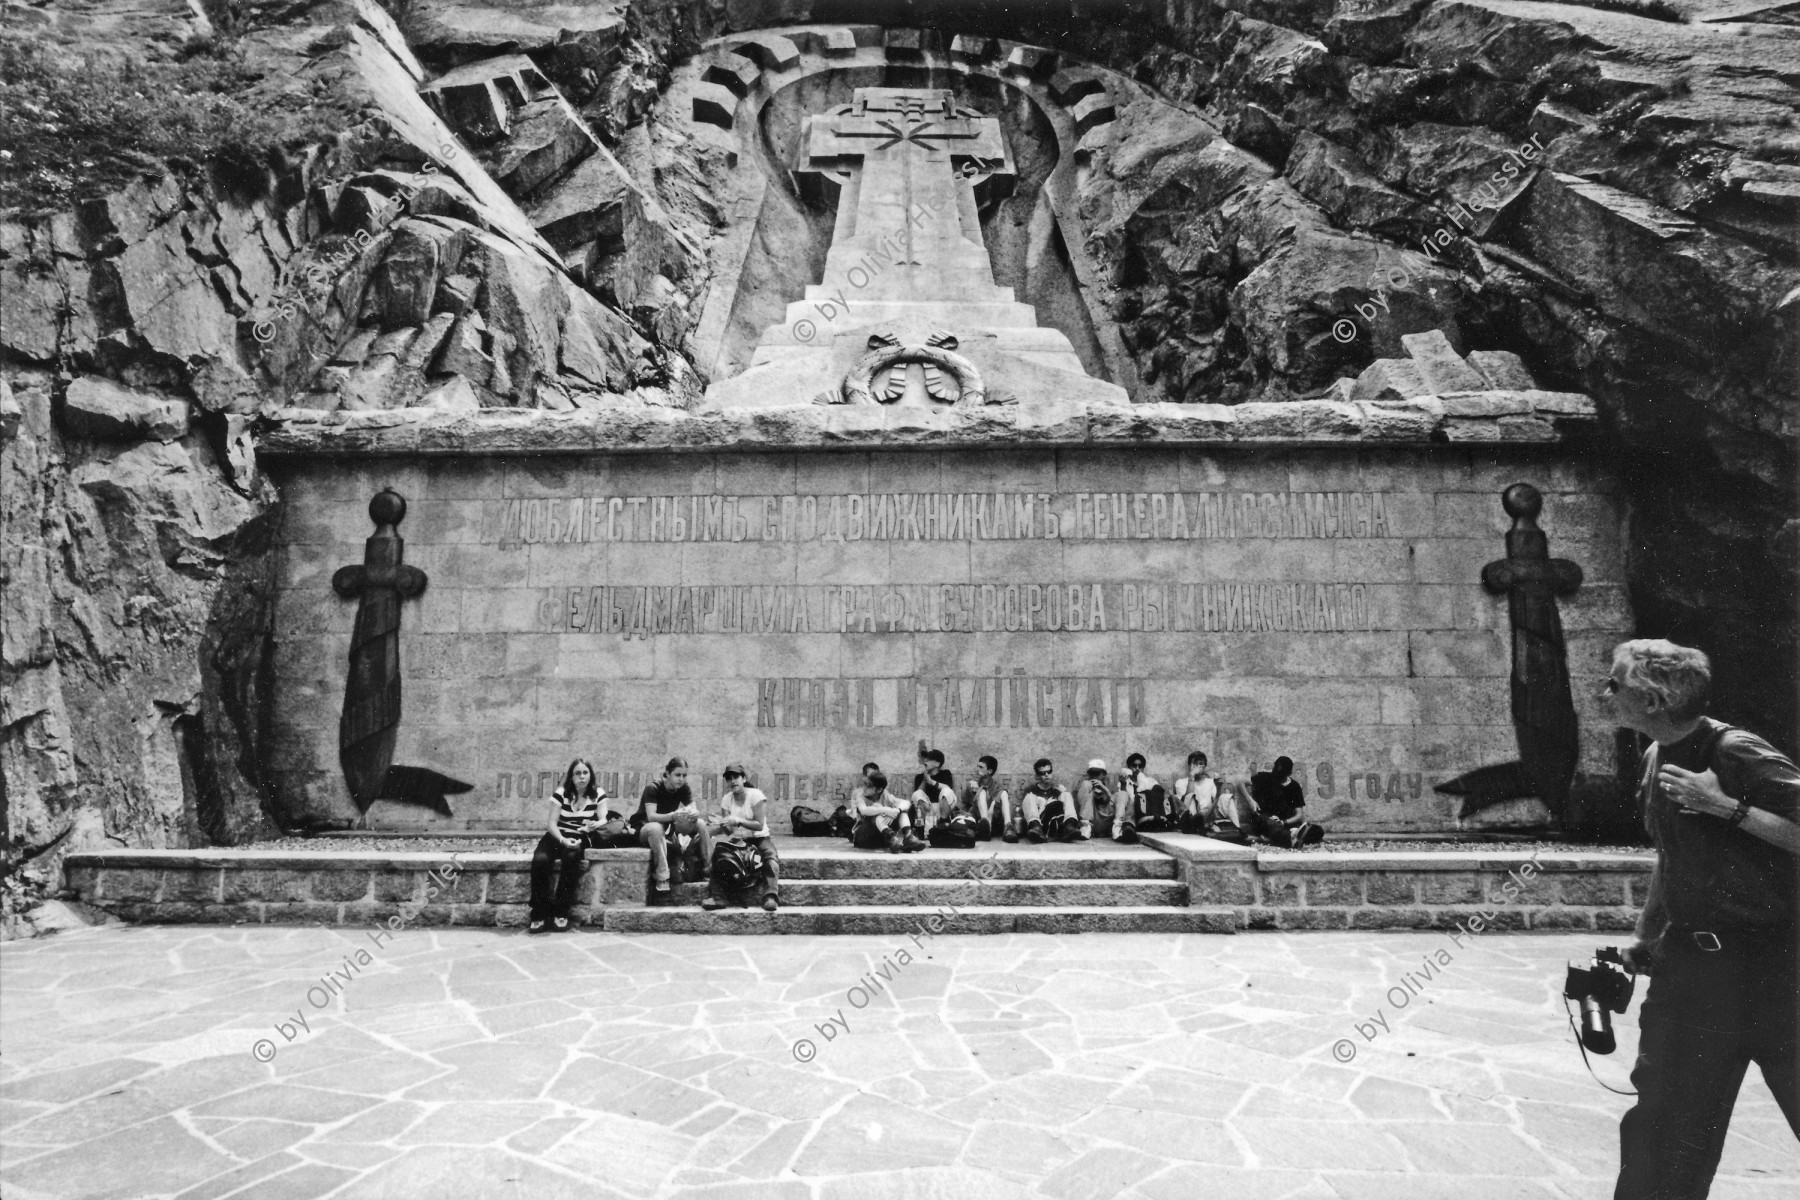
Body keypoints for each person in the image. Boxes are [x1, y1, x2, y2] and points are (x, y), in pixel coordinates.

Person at [1603, 639, 1799, 1199]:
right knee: (1663, 1132)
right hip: (1693, 971)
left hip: (1775, 971)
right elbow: (1674, 852)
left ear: (1654, 700)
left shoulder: (1736, 752)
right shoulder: (1655, 753)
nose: (1606, 692)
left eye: (1615, 683)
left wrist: (1728, 809)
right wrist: (1646, 933)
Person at [529, 759, 610, 933]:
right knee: (540, 861)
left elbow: (604, 818)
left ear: (591, 774)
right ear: (571, 776)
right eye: (577, 773)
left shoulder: (597, 793)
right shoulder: (562, 793)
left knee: (571, 859)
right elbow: (551, 824)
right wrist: (563, 840)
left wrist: (594, 825)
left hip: (579, 835)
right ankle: (539, 914)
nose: (582, 777)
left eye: (585, 773)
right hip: (556, 835)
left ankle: (561, 912)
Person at [630, 757, 711, 905]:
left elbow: (694, 808)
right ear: (667, 773)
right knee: (655, 828)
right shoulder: (653, 788)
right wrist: (673, 815)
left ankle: (708, 871)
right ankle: (663, 876)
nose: (681, 779)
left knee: (700, 823)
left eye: (684, 775)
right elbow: (651, 816)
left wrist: (692, 813)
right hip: (645, 828)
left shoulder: (683, 788)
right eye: (677, 775)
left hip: (667, 827)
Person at [702, 764, 779, 912]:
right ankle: (718, 897)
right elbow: (729, 830)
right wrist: (720, 824)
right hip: (738, 840)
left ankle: (770, 896)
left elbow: (759, 825)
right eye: (729, 778)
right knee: (719, 857)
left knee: (770, 858)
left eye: (736, 777)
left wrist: (738, 820)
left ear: (743, 778)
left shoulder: (756, 795)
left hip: (759, 837)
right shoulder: (726, 799)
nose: (733, 781)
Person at [1245, 757, 1323, 848]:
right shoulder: (1263, 778)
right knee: (1269, 824)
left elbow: (1299, 815)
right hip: (1266, 819)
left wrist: (1284, 822)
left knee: (1318, 831)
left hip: (1286, 822)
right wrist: (1251, 800)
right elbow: (1240, 781)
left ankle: (1291, 835)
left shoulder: (1294, 787)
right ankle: (1291, 837)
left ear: (1289, 774)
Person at [1173, 751, 1244, 841]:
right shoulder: (1181, 782)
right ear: (1191, 766)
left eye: (1202, 764)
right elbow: (1184, 806)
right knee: (1190, 796)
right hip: (1192, 819)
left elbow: (1216, 803)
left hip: (1208, 815)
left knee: (1226, 797)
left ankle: (1238, 831)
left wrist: (1218, 786)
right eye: (1197, 764)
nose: (1200, 767)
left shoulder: (1210, 782)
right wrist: (1191, 777)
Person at [851, 770, 925, 853]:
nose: (864, 788)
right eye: (864, 784)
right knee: (877, 810)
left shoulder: (885, 795)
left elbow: (906, 803)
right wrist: (886, 810)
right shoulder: (860, 796)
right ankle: (891, 838)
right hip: (864, 836)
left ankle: (908, 836)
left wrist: (897, 810)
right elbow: (864, 810)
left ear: (879, 790)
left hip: (880, 836)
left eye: (868, 785)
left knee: (902, 813)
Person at [1020, 758, 1079, 843]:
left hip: (1055, 824)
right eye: (1042, 773)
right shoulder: (1031, 790)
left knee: (1067, 794)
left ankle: (1069, 825)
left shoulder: (1057, 791)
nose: (1047, 775)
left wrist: (1062, 793)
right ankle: (1035, 827)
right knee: (1030, 797)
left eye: (1049, 771)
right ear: (1037, 776)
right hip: (1039, 826)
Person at [1076, 758, 1129, 842]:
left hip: (1109, 822)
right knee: (1086, 784)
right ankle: (1085, 827)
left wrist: (1104, 789)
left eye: (1097, 773)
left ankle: (1117, 828)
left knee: (1123, 793)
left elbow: (1118, 803)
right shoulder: (1086, 786)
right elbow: (1080, 802)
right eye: (1091, 773)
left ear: (1104, 775)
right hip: (1093, 823)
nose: (1094, 776)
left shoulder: (1111, 785)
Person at [966, 755, 1015, 842]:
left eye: (981, 767)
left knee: (1003, 792)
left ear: (990, 771)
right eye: (977, 766)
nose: (977, 769)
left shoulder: (997, 786)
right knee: (982, 790)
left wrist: (992, 806)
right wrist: (972, 789)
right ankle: (985, 827)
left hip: (994, 820)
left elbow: (998, 805)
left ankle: (1008, 826)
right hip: (978, 820)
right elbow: (967, 802)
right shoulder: (973, 784)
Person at [1121, 753, 1172, 833]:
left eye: (1140, 766)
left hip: (1149, 813)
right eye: (1134, 766)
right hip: (1134, 813)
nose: (1137, 769)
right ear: (1129, 767)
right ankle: (1129, 826)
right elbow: (1123, 801)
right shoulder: (1125, 783)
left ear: (1143, 768)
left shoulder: (1150, 781)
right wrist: (1123, 785)